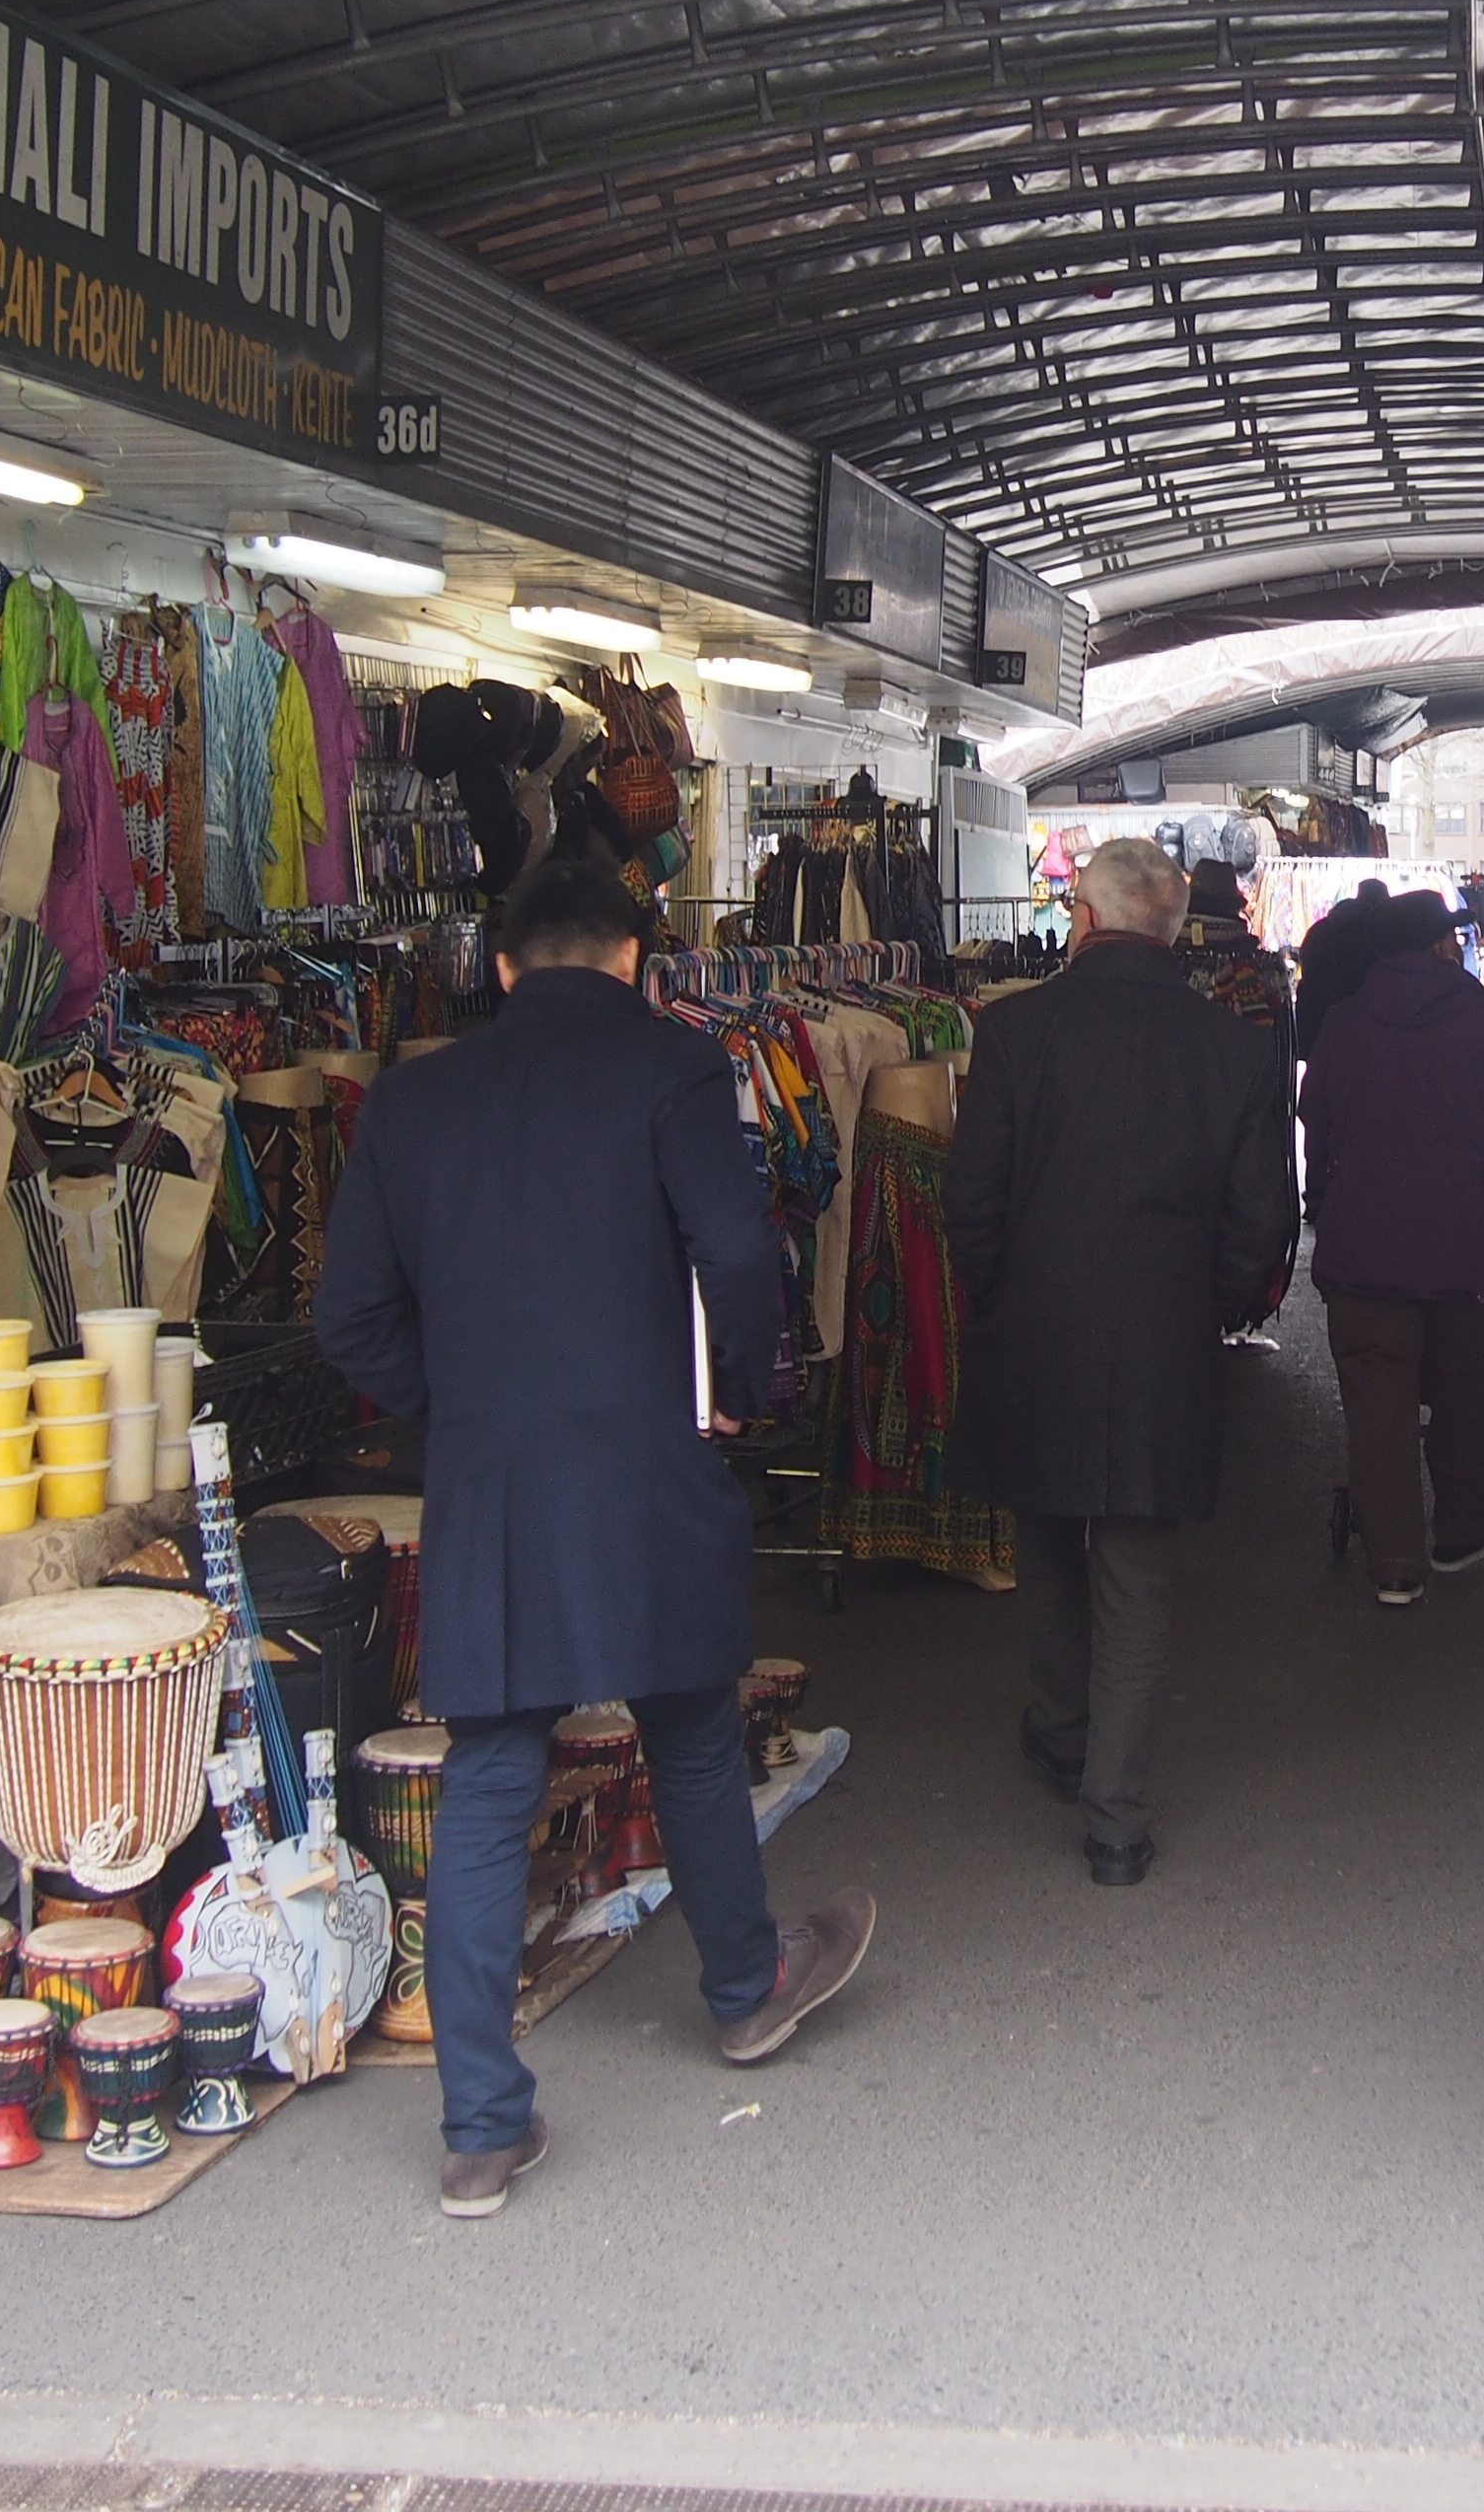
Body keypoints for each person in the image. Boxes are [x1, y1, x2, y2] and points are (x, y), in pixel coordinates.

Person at [317, 854, 877, 2220]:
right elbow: (738, 1259)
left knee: (492, 1775)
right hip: (647, 1464)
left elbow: (351, 1322)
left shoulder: (414, 1096)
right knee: (689, 1729)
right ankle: (748, 1996)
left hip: (498, 1482)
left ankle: (480, 2130)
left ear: (501, 970)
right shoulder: (674, 1070)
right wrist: (748, 1393)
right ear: (638, 961)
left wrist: (464, 1404)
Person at [949, 836, 1297, 1884]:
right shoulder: (1231, 1049)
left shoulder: (1011, 1033)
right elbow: (1262, 1219)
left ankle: (1059, 1737)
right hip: (1164, 1336)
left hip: (1036, 1329)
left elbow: (971, 1200)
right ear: (1170, 926)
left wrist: (999, 1297)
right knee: (1137, 1572)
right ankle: (1116, 1819)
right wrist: (1216, 1307)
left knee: (1049, 1539)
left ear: (1084, 920)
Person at [1301, 893, 1484, 1602]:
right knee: (1468, 1390)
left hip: (1364, 1249)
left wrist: (1319, 1206)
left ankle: (1395, 1561)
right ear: (1439, 948)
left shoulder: (1343, 1025)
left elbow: (1318, 1129)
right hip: (1473, 1247)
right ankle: (1462, 1531)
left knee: (1377, 1401)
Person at [1290, 873, 1400, 1065]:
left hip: (1316, 1027)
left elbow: (1307, 969)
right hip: (1362, 1035)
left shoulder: (1320, 929)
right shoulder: (1380, 937)